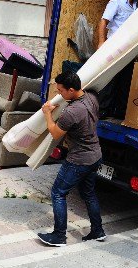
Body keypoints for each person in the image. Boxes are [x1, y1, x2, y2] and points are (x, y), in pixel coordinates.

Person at [37, 71, 105, 247]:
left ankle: (59, 236)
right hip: (95, 155)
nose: (59, 94)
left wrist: (47, 114)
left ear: (72, 89)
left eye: (61, 91)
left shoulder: (72, 111)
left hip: (79, 160)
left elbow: (55, 133)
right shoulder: (91, 97)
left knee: (58, 193)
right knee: (88, 194)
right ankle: (97, 231)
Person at [97, 0, 138, 118]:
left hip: (128, 47)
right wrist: (101, 42)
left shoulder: (135, 5)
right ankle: (103, 109)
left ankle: (120, 111)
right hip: (114, 45)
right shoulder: (115, 3)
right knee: (111, 78)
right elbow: (103, 22)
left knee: (125, 79)